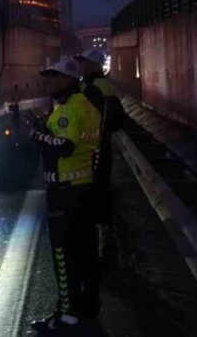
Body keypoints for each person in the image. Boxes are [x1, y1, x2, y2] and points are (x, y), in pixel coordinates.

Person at [29, 56, 103, 335]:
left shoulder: (69, 110)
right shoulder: (87, 105)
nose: (50, 81)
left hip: (64, 194)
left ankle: (66, 318)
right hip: (84, 188)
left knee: (63, 255)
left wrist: (37, 135)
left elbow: (65, 145)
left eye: (55, 77)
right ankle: (87, 308)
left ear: (69, 80)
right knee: (85, 254)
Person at [76, 47, 125, 262]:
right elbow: (118, 119)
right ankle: (104, 240)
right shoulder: (96, 85)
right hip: (98, 148)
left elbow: (110, 118)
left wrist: (96, 136)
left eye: (85, 62)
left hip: (94, 150)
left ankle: (104, 243)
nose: (82, 65)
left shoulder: (95, 88)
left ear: (95, 65)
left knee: (97, 193)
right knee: (99, 191)